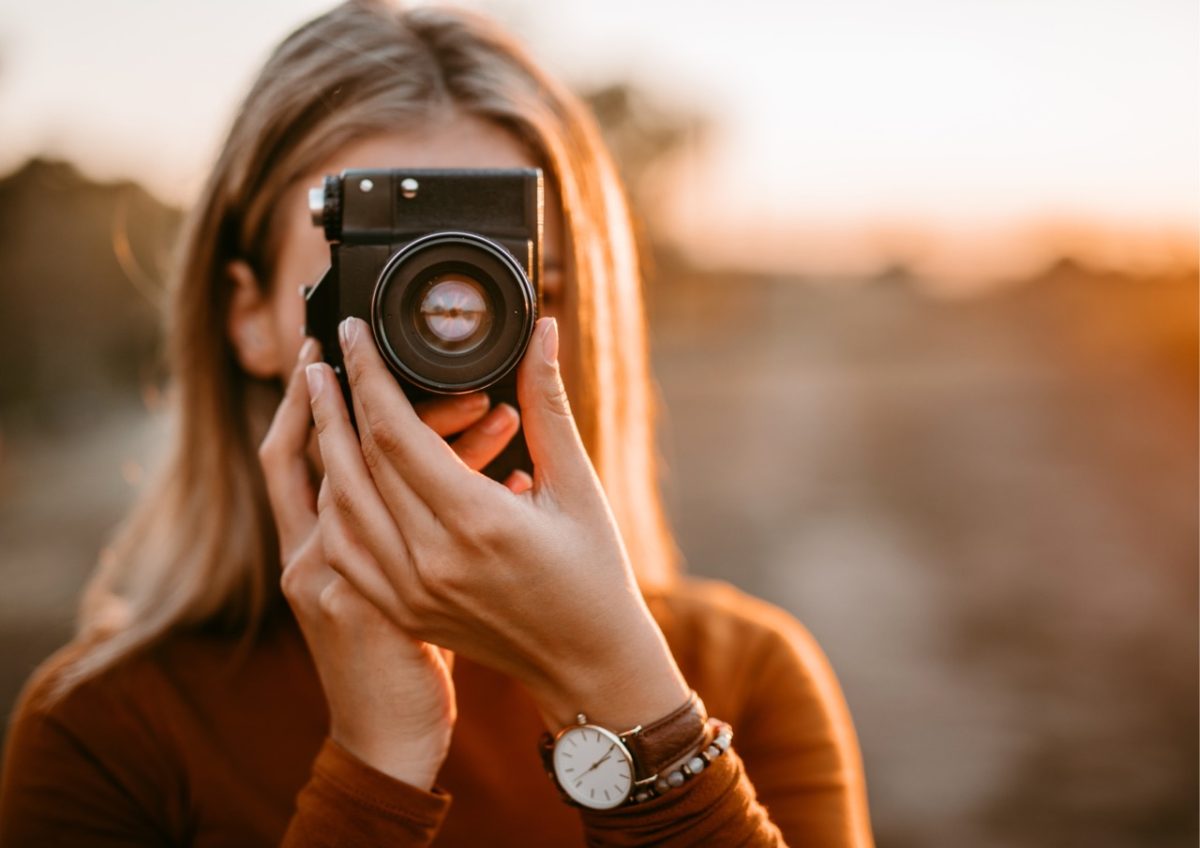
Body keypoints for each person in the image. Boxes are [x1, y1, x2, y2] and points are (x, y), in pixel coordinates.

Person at [0, 2, 873, 845]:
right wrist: (373, 763)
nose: (454, 350)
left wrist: (626, 693)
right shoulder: (107, 731)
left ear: (584, 314)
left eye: (518, 291)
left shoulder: (741, 676)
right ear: (250, 316)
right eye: (387, 291)